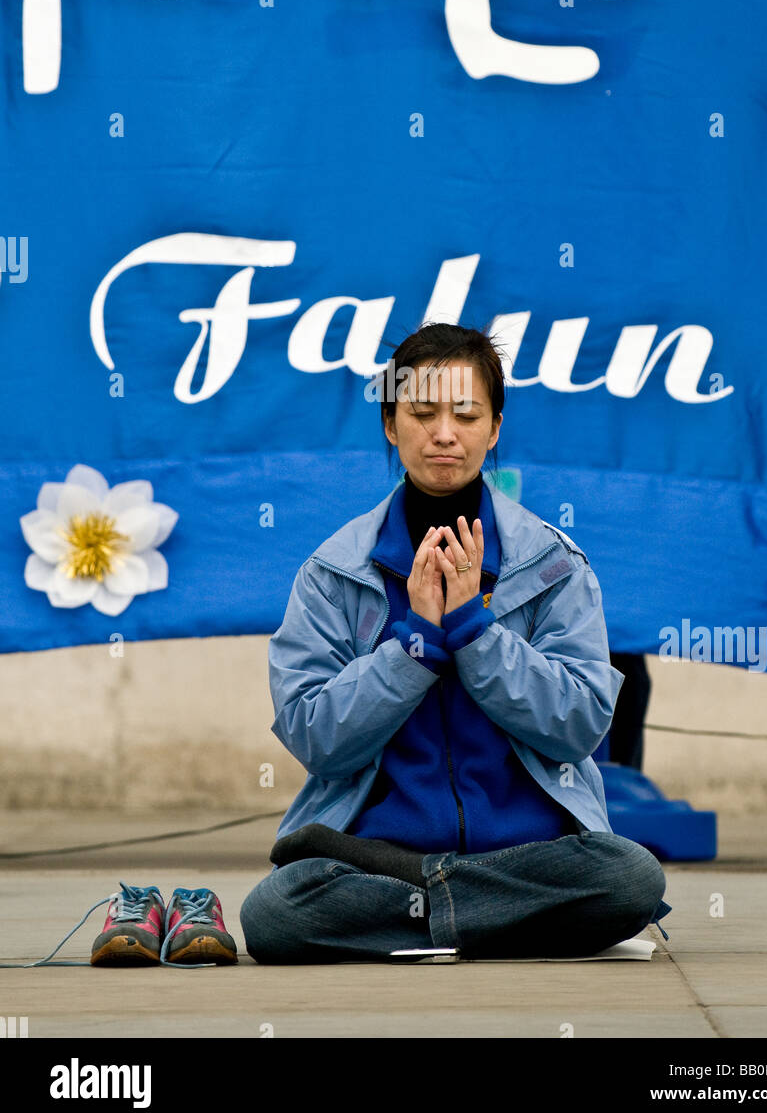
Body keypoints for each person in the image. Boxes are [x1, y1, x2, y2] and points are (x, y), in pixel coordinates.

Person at [240, 322, 671, 962]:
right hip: (381, 859)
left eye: (466, 414)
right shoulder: (333, 574)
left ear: (494, 428)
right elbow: (315, 739)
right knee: (273, 914)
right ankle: (491, 918)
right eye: (422, 413)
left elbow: (579, 727)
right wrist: (414, 642)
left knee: (630, 877)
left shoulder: (553, 566)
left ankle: (431, 915)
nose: (445, 433)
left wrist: (474, 630)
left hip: (532, 854)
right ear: (391, 424)